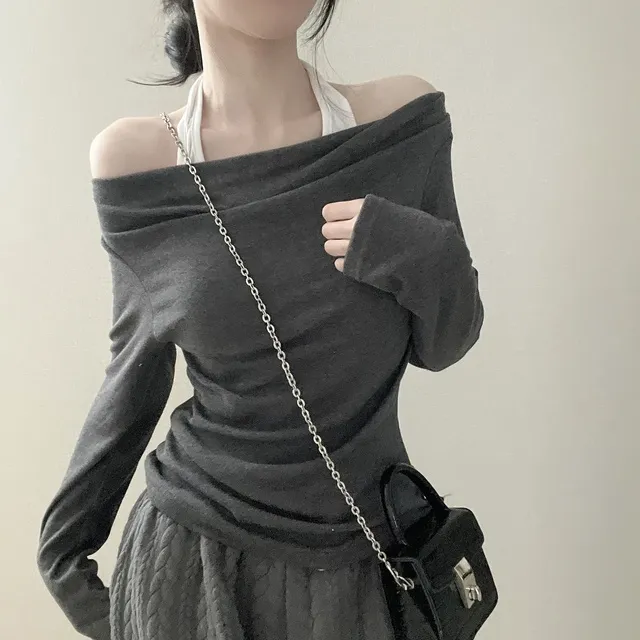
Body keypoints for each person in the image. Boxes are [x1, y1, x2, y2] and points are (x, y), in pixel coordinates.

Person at [36, 1, 485, 639]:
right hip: (196, 568)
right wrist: (64, 561)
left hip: (372, 557)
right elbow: (133, 374)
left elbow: (444, 343)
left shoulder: (401, 123)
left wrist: (424, 253)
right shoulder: (135, 161)